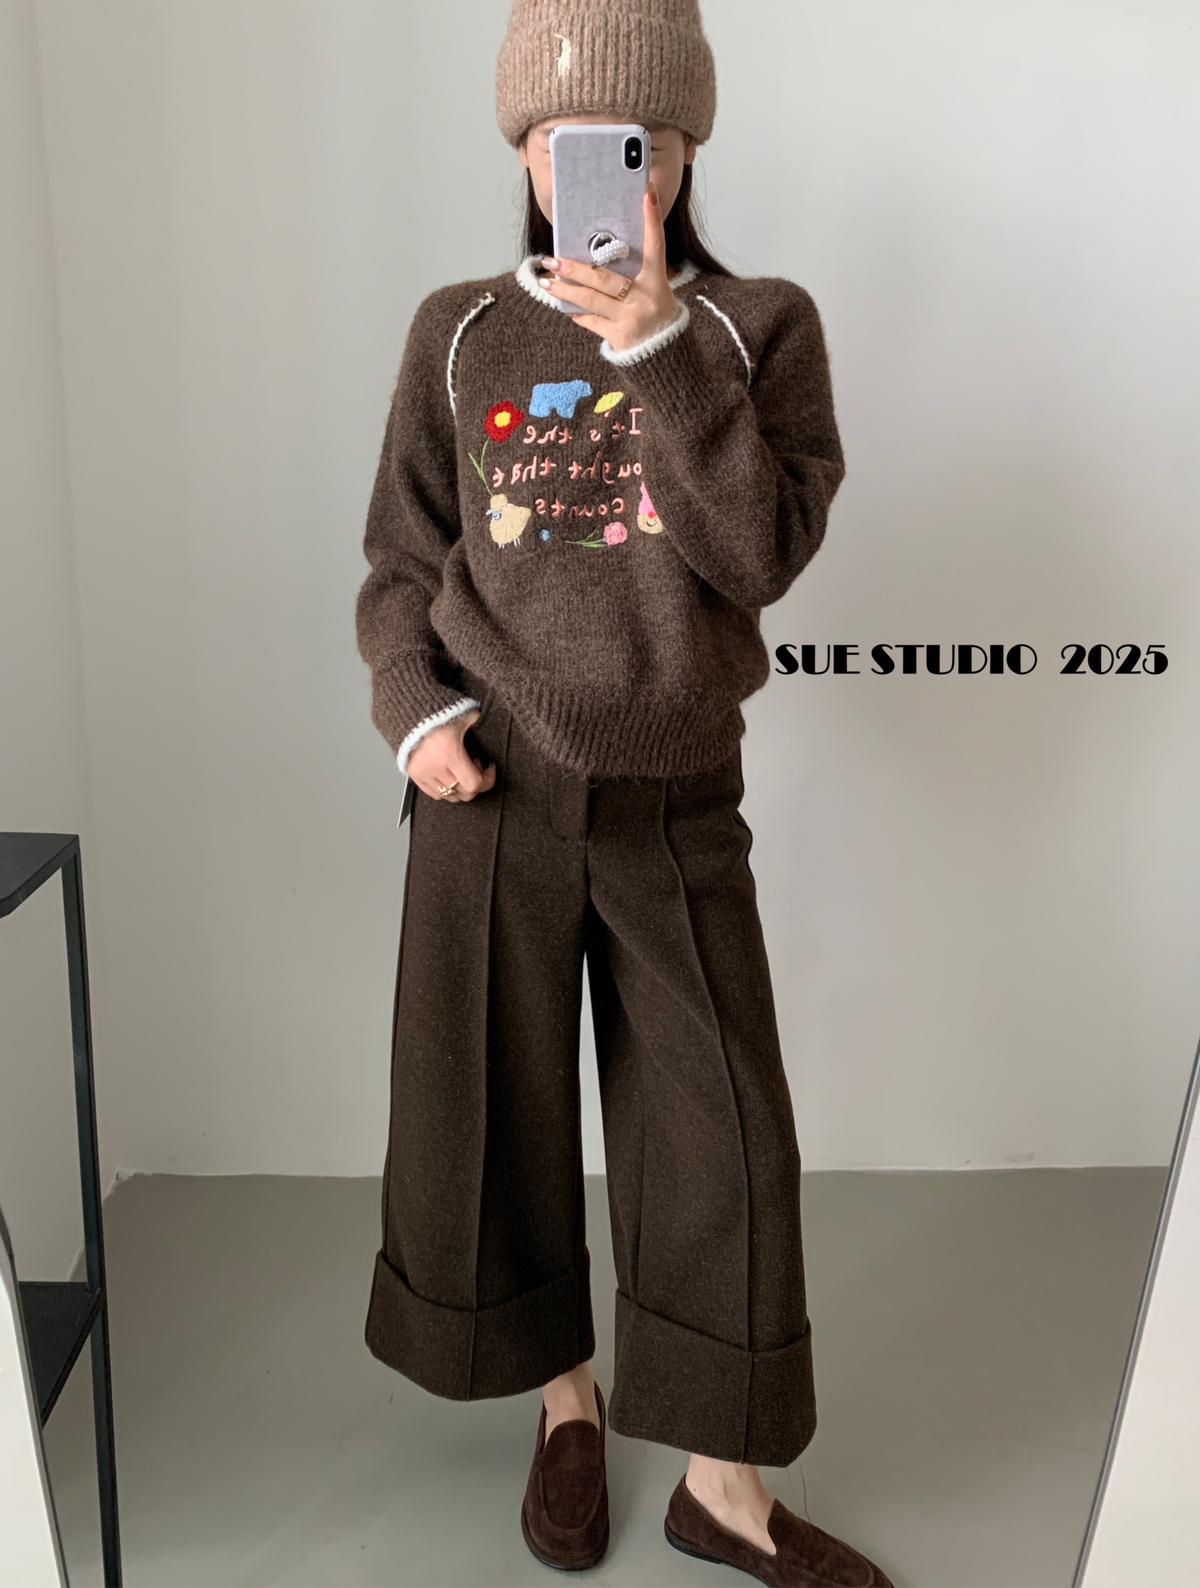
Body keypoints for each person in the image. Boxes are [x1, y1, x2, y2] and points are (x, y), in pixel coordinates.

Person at [354, 3, 892, 1584]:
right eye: (560, 139)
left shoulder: (757, 329)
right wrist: (412, 713)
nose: (595, 171)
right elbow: (399, 562)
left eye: (632, 145)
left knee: (724, 1140)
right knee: (496, 1115)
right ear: (524, 152)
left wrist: (657, 347)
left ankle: (724, 1488)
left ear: (685, 151)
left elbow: (759, 555)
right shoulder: (457, 331)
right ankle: (565, 1407)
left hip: (675, 796)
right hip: (491, 794)